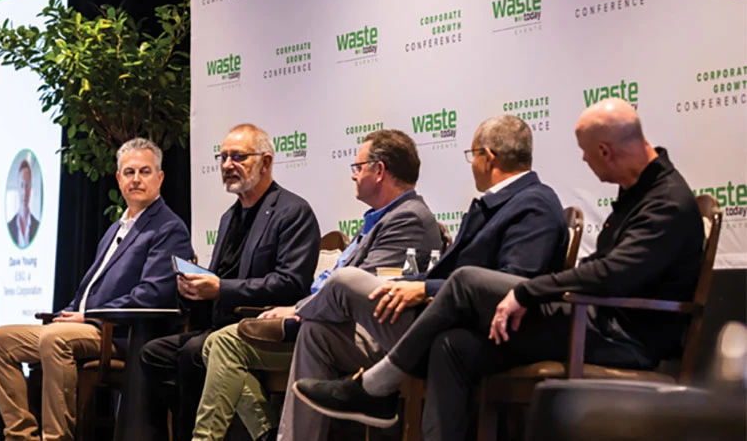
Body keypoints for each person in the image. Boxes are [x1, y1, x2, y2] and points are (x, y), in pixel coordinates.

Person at [293, 99, 705, 441]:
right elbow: (603, 267)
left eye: (585, 154)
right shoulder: (638, 193)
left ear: (605, 151)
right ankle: (380, 390)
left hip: (619, 334)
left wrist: (528, 292)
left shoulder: (665, 201)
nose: (585, 163)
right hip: (592, 319)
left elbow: (612, 273)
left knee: (464, 281)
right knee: (451, 345)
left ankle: (377, 384)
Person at [244, 115, 569, 441]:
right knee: (318, 333)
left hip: (468, 325)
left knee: (345, 281)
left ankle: (295, 320)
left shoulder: (533, 204)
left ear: (489, 157)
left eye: (473, 157)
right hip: (439, 315)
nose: (472, 167)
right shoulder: (496, 203)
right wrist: (417, 286)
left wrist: (424, 289)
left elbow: (511, 285)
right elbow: (458, 277)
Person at [191, 129, 444, 441]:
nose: (353, 176)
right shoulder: (380, 219)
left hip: (378, 336)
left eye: (358, 167)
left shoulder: (410, 219)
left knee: (328, 295)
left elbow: (376, 284)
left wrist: (298, 311)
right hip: (334, 325)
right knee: (302, 332)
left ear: (379, 171)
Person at [0, 138, 193, 441]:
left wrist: (89, 316)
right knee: (0, 340)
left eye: (145, 171)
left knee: (55, 340)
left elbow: (152, 294)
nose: (136, 179)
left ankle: (56, 438)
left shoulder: (168, 228)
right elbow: (90, 289)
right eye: (129, 172)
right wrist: (69, 312)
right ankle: (21, 436)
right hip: (86, 325)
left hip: (119, 333)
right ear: (119, 178)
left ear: (160, 178)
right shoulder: (116, 229)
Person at [140, 123, 321, 441]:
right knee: (155, 353)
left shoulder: (293, 212)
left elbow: (290, 283)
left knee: (193, 353)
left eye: (238, 156)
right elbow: (218, 277)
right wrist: (193, 290)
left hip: (262, 327)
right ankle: (262, 431)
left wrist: (220, 289)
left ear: (265, 162)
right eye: (222, 157)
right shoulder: (229, 217)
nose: (227, 165)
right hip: (219, 325)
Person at [8, 160, 39, 248]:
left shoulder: (37, 226)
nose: (24, 191)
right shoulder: (9, 227)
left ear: (31, 188)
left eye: (27, 185)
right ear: (17, 187)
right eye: (21, 185)